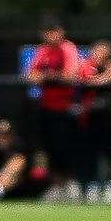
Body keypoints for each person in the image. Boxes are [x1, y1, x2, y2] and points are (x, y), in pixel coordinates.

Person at [24, 22, 81, 202]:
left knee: (65, 147)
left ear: (61, 32)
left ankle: (70, 185)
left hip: (65, 108)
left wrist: (47, 76)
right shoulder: (42, 51)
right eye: (46, 32)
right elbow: (30, 75)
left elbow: (70, 75)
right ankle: (56, 186)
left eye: (53, 32)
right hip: (46, 107)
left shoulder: (68, 48)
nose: (50, 36)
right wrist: (51, 76)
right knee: (50, 148)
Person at [76, 41, 111, 204]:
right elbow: (87, 80)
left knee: (110, 153)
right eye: (96, 51)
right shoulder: (86, 65)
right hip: (90, 117)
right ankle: (90, 187)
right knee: (89, 153)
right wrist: (104, 77)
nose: (98, 54)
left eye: (103, 52)